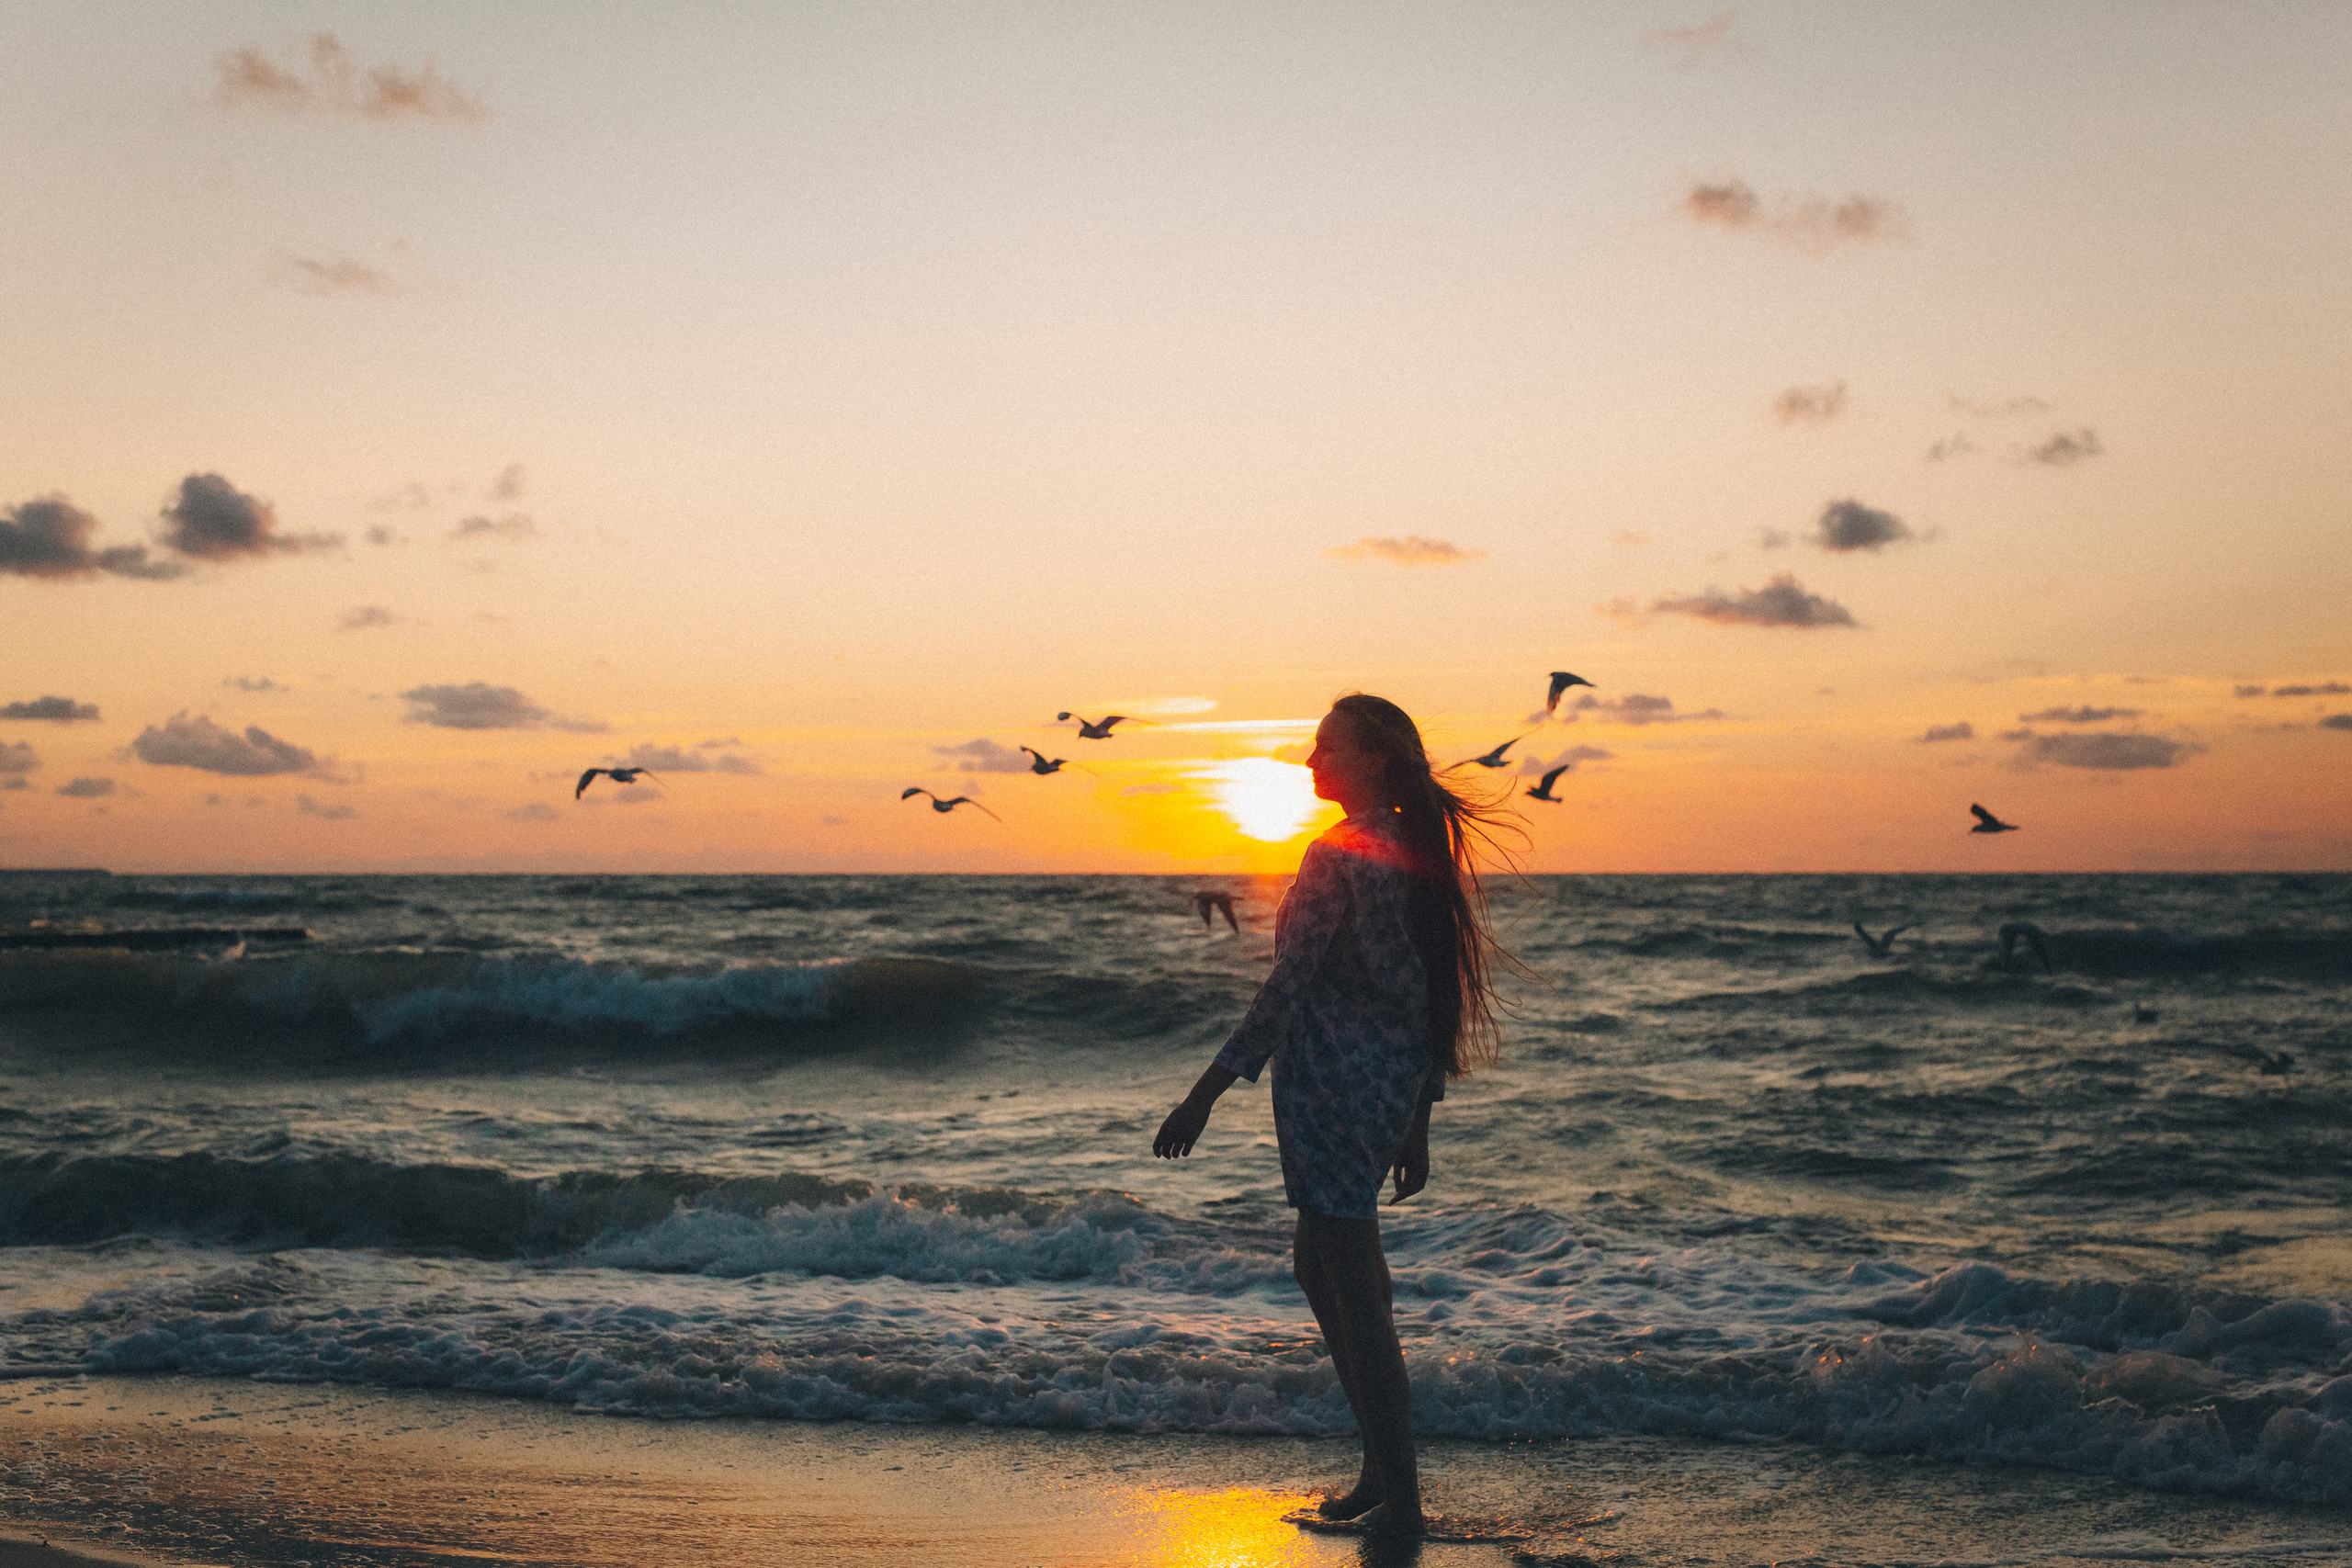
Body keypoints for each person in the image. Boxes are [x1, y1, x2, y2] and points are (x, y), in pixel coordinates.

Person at [1152, 694, 1508, 1537]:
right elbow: (1429, 995)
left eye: (1326, 747)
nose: (1310, 762)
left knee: (1351, 1281)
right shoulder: (1409, 852)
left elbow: (1289, 981)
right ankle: (1383, 1474)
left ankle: (1404, 1498)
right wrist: (1418, 1114)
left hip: (1333, 1092)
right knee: (1325, 1267)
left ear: (1373, 760)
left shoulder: (1338, 854)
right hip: (1379, 1092)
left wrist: (1203, 1092)